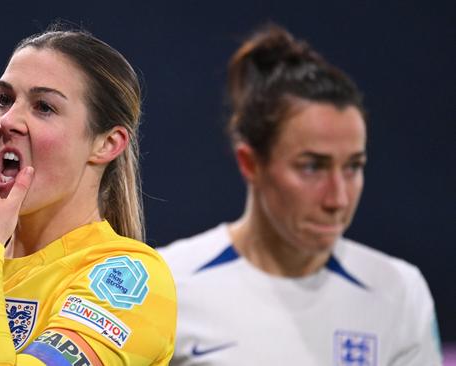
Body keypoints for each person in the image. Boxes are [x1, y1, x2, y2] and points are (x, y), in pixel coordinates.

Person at [158, 24, 442, 365]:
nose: (337, 199)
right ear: (250, 164)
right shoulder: (167, 284)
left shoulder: (399, 292)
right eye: (312, 167)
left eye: (353, 166)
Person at [0, 28, 176, 366]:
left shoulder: (128, 282)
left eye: (44, 107)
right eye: (4, 100)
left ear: (107, 144)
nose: (9, 121)